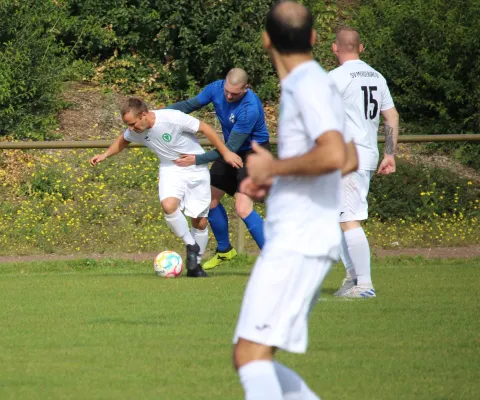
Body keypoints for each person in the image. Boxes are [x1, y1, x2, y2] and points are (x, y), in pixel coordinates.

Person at [232, 2, 358, 399]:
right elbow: (350, 156)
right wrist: (278, 179)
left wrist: (274, 169)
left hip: (300, 239)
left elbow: (336, 155)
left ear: (266, 39)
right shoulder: (315, 82)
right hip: (300, 236)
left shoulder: (307, 84)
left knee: (251, 355)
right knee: (249, 355)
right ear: (316, 38)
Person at [90, 97, 242, 278]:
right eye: (127, 125)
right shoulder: (136, 129)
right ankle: (190, 244)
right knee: (168, 206)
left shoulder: (172, 118)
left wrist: (225, 153)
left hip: (195, 168)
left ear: (144, 115)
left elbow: (205, 128)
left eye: (132, 124)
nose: (130, 129)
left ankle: (195, 266)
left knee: (199, 221)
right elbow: (123, 140)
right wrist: (105, 154)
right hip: (170, 168)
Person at [167, 68, 270, 270]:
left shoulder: (250, 108)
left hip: (254, 154)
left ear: (246, 88)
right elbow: (189, 105)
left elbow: (230, 148)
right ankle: (225, 250)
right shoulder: (215, 88)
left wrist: (197, 159)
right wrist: (159, 115)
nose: (229, 96)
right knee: (209, 199)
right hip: (229, 150)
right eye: (227, 92)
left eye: (235, 93)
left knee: (242, 207)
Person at [329, 27, 400, 298]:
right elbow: (391, 116)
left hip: (347, 157)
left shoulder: (335, 78)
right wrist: (390, 154)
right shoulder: (377, 77)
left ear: (335, 48)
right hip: (367, 154)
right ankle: (353, 277)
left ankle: (365, 284)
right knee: (339, 218)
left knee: (349, 219)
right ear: (361, 48)